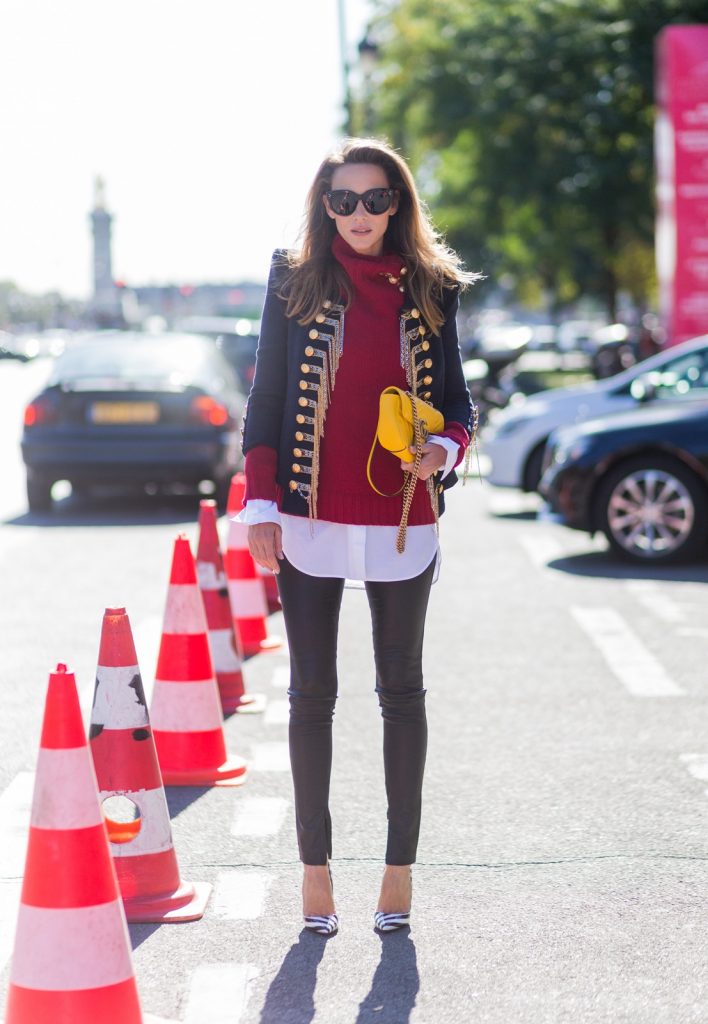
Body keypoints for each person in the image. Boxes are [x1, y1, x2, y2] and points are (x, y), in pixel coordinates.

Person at [239, 137, 478, 936]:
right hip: (307, 513)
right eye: (344, 200)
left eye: (377, 199)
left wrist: (442, 449)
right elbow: (267, 398)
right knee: (312, 696)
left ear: (398, 204)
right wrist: (262, 506)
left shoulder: (432, 286)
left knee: (401, 693)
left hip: (402, 517)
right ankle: (315, 873)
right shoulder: (292, 276)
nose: (360, 215)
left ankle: (398, 871)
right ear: (324, 204)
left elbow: (459, 402)